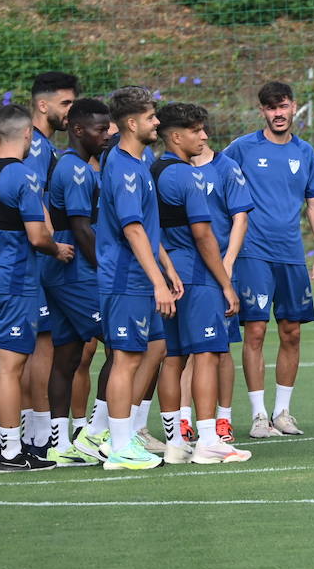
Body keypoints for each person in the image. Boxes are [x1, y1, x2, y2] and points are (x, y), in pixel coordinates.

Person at [0, 105, 74, 472]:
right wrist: (57, 248)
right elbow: (38, 236)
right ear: (27, 135)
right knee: (11, 369)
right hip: (12, 282)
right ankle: (12, 452)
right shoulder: (24, 175)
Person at [223, 81, 314, 438]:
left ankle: (283, 412)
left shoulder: (305, 152)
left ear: (293, 107)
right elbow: (217, 181)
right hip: (253, 253)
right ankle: (258, 415)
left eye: (282, 106)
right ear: (261, 112)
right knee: (255, 330)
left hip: (291, 256)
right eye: (270, 108)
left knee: (292, 332)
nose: (278, 114)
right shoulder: (242, 148)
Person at [152, 103, 250, 464]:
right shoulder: (187, 176)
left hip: (170, 274)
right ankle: (209, 440)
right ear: (176, 136)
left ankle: (177, 441)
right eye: (196, 130)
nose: (204, 136)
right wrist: (225, 283)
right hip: (196, 273)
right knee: (207, 354)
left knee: (174, 357)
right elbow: (205, 236)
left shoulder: (154, 170)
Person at [97, 87, 180, 471]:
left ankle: (125, 434)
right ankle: (117, 446)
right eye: (151, 117)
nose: (157, 123)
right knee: (126, 359)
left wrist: (167, 268)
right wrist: (158, 282)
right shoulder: (124, 168)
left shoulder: (140, 160)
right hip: (124, 278)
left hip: (141, 276)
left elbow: (147, 227)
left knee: (153, 349)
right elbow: (132, 230)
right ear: (132, 123)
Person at [42, 98, 112, 466]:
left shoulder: (83, 167)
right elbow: (82, 229)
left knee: (67, 356)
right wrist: (106, 271)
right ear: (78, 129)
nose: (107, 134)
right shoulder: (75, 171)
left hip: (66, 274)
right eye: (101, 129)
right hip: (76, 275)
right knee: (122, 344)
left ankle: (58, 443)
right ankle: (95, 433)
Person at [23, 71, 80, 457]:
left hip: (34, 257)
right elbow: (30, 197)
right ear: (43, 105)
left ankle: (34, 432)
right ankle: (41, 436)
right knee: (42, 346)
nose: (70, 112)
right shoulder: (34, 146)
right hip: (36, 257)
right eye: (66, 104)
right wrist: (51, 245)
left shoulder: (43, 145)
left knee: (47, 347)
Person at [187, 128, 253, 443]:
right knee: (187, 350)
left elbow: (240, 218)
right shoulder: (174, 169)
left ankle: (223, 419)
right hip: (187, 271)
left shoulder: (226, 167)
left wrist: (226, 264)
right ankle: (184, 420)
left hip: (221, 271)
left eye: (201, 130)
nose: (199, 136)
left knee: (221, 348)